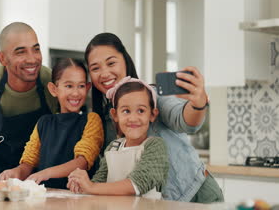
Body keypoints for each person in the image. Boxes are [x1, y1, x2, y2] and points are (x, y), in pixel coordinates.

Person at [73, 33, 223, 203]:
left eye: (111, 63)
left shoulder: (153, 97)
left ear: (125, 60)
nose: (105, 73)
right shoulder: (106, 119)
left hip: (196, 194)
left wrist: (197, 103)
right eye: (95, 68)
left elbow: (187, 122)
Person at [0, 22, 58, 180]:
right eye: (21, 52)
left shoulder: (50, 82)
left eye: (36, 49)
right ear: (2, 58)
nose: (32, 59)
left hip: (44, 176)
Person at [0, 58, 104, 189]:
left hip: (77, 197)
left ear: (87, 88)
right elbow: (28, 164)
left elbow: (82, 162)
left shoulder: (91, 120)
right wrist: (16, 172)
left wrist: (46, 173)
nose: (76, 93)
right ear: (54, 89)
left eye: (81, 86)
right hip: (44, 196)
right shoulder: (43, 122)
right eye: (69, 86)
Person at [68, 77, 168, 199]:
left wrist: (91, 187)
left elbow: (138, 184)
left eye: (141, 110)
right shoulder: (113, 147)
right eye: (126, 111)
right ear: (115, 115)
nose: (133, 118)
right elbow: (99, 181)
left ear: (152, 114)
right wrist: (82, 185)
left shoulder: (155, 146)